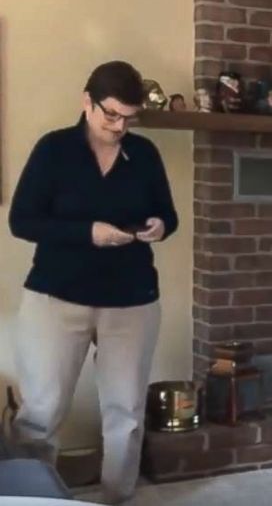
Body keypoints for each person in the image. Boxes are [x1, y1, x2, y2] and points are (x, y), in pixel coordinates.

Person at [8, 61, 179, 505]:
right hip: (56, 297)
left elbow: (169, 215)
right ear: (87, 102)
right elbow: (21, 220)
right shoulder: (54, 150)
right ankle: (37, 500)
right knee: (41, 412)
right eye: (111, 115)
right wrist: (89, 233)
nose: (120, 126)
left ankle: (116, 497)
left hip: (133, 300)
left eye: (129, 118)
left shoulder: (144, 154)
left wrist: (160, 225)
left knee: (125, 413)